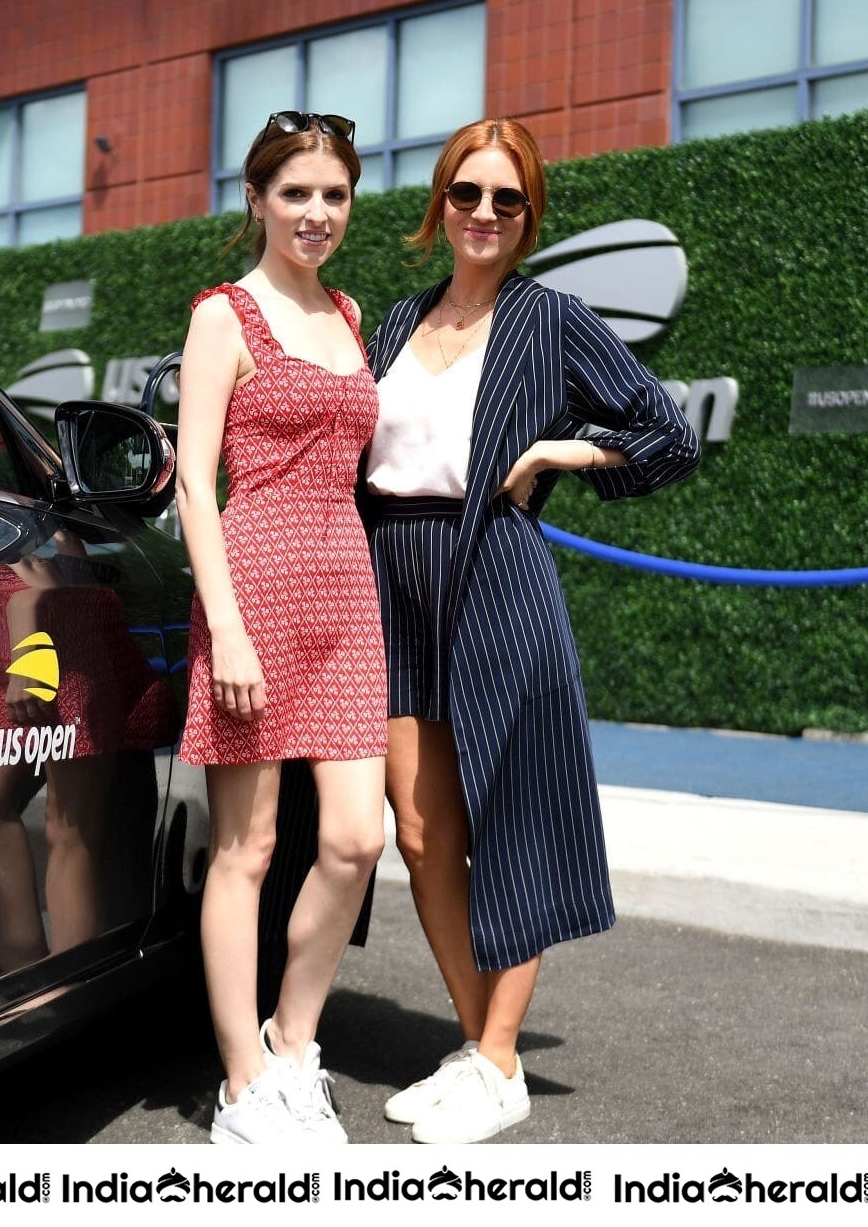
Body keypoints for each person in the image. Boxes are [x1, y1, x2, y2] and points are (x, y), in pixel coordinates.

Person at [361, 118, 700, 1144]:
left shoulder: (549, 318)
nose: (483, 215)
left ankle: (498, 1053)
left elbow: (666, 434)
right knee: (420, 835)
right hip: (390, 579)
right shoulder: (392, 320)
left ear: (527, 217)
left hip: (493, 572)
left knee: (507, 818)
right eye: (467, 194)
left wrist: (565, 449)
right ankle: (480, 1054)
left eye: (506, 201)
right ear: (439, 202)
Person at [177, 111, 388, 1144]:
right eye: (295, 192)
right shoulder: (223, 314)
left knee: (355, 838)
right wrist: (225, 627)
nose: (315, 212)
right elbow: (193, 485)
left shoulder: (349, 310)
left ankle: (293, 1046)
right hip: (252, 593)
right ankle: (241, 1086)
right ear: (255, 199)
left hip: (347, 597)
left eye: (333, 194)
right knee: (246, 850)